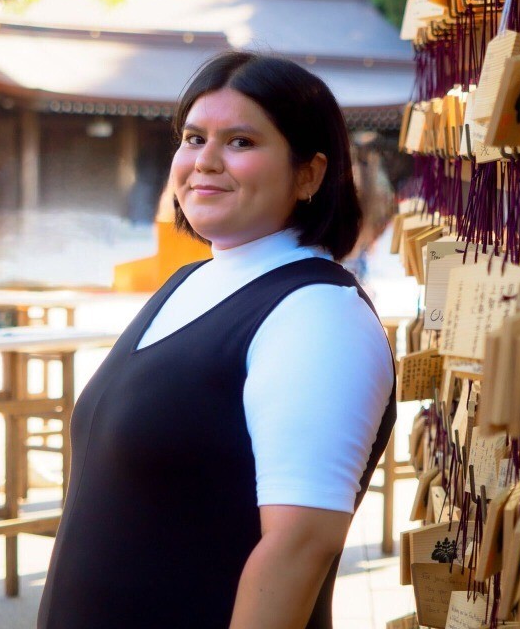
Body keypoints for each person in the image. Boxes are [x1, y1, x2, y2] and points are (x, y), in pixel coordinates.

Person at [37, 51, 396, 629]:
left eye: (241, 143)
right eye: (193, 137)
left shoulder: (319, 315)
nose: (205, 161)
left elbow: (298, 547)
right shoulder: (191, 280)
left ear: (309, 173)